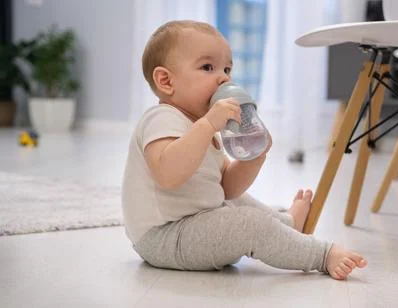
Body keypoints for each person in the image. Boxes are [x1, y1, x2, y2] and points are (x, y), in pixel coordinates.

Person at [122, 20, 367, 280]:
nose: (224, 77)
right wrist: (207, 125)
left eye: (227, 69)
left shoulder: (205, 130)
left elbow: (227, 187)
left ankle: (287, 225)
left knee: (235, 201)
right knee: (248, 224)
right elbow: (168, 175)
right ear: (166, 80)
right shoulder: (161, 118)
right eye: (208, 67)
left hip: (195, 223)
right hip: (164, 237)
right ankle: (322, 255)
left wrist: (254, 157)